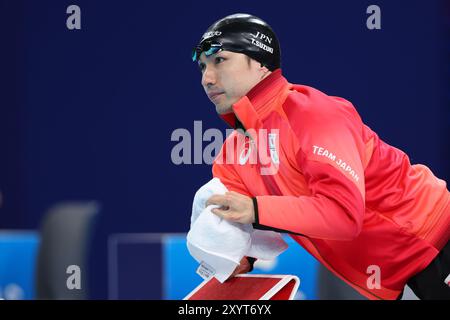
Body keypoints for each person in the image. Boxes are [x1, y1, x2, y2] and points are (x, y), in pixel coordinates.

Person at [191, 13, 450, 300]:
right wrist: (233, 255)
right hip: (388, 279)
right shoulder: (234, 153)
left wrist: (254, 208)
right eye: (202, 67)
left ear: (260, 63)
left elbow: (343, 215)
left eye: (219, 60)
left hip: (437, 241)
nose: (207, 78)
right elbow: (248, 228)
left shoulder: (312, 114)